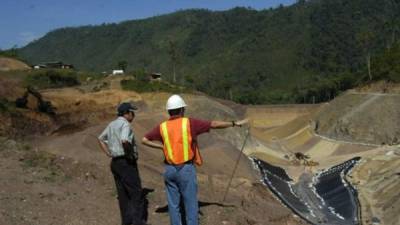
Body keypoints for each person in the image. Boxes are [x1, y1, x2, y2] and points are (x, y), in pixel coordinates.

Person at [142, 94, 248, 225]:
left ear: (169, 111)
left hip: (169, 170)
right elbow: (213, 124)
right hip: (185, 169)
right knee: (191, 204)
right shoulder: (189, 123)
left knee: (173, 205)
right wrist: (233, 123)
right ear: (181, 110)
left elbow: (144, 139)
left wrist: (161, 147)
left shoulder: (162, 127)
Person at [98, 102, 146, 225]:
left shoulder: (112, 124)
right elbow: (125, 140)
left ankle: (126, 222)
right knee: (136, 193)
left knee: (123, 195)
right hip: (126, 162)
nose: (133, 115)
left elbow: (100, 138)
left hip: (115, 163)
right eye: (132, 112)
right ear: (127, 113)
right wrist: (130, 154)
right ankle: (138, 222)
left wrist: (108, 153)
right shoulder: (125, 125)